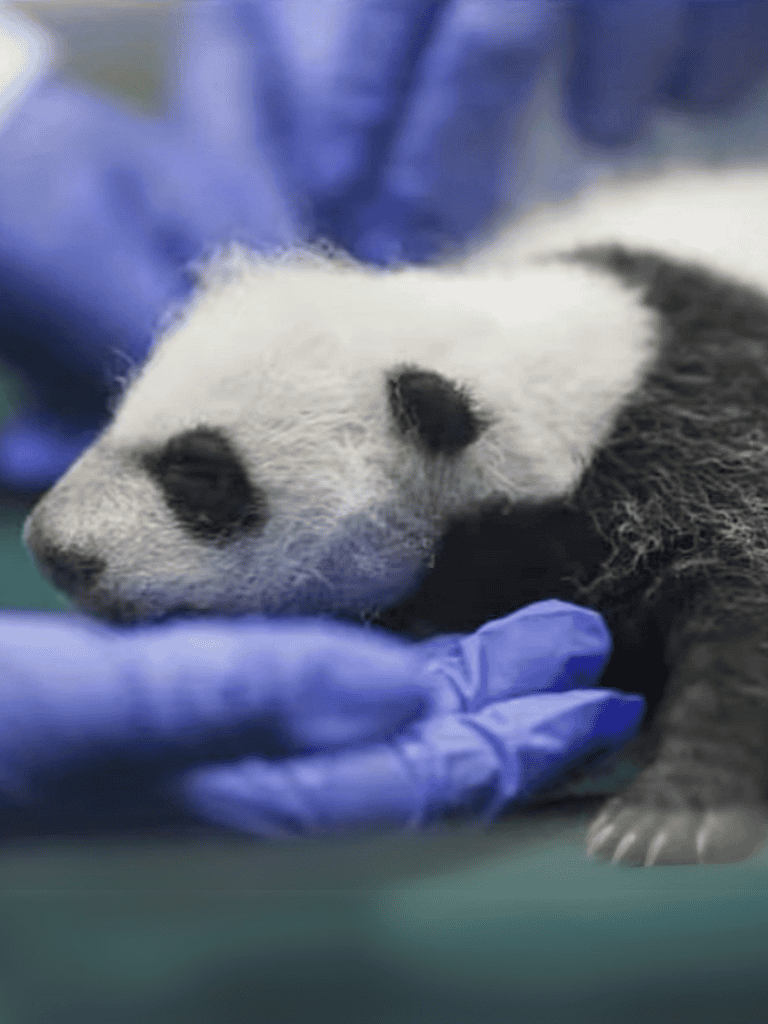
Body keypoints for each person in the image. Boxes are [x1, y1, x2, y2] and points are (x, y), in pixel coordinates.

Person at [0, 0, 764, 838]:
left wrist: (706, 776)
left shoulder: (659, 432)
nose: (60, 531)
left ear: (429, 427)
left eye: (198, 474)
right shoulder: (438, 406)